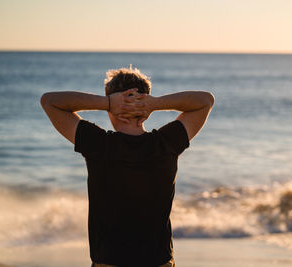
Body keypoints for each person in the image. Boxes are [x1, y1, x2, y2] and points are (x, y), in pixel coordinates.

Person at [40, 67, 214, 267]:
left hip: (109, 261)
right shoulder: (166, 143)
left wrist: (107, 103)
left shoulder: (98, 144)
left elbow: (49, 101)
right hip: (158, 262)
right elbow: (205, 101)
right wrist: (155, 104)